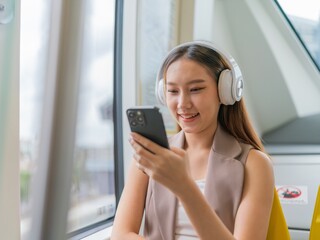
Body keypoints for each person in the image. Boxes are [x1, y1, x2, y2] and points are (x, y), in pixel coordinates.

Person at [111, 41, 274, 240]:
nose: (182, 104)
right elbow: (120, 234)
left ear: (224, 91)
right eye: (172, 91)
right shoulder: (149, 156)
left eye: (196, 89)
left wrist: (184, 187)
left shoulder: (255, 163)